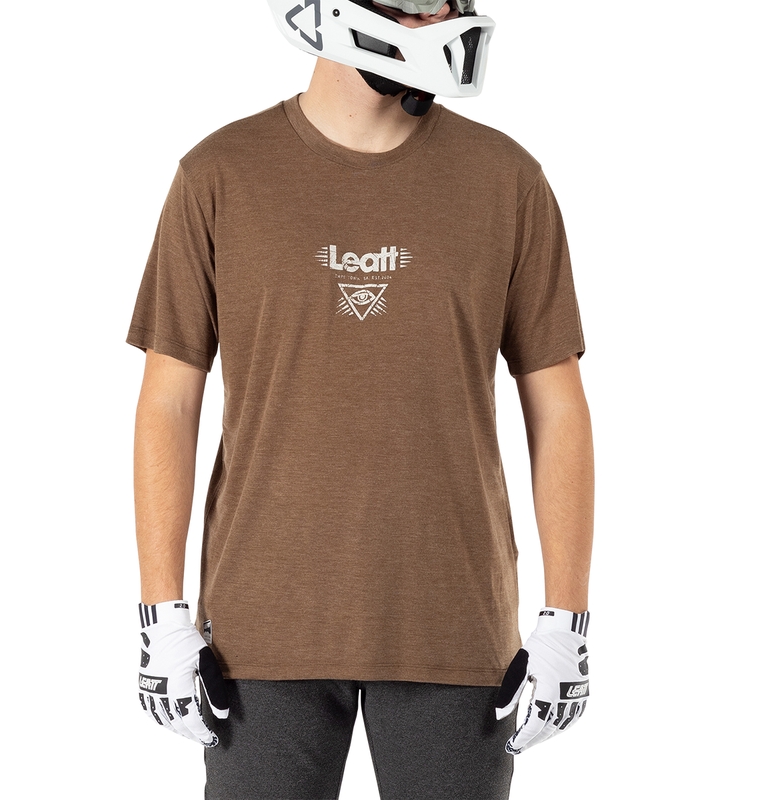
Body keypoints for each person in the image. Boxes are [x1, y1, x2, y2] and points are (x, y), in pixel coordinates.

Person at [128, 2, 594, 798]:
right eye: (422, 4)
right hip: (259, 633)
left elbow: (557, 406)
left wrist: (567, 619)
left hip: (452, 625)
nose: (445, 19)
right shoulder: (219, 175)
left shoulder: (507, 180)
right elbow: (168, 402)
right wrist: (160, 614)